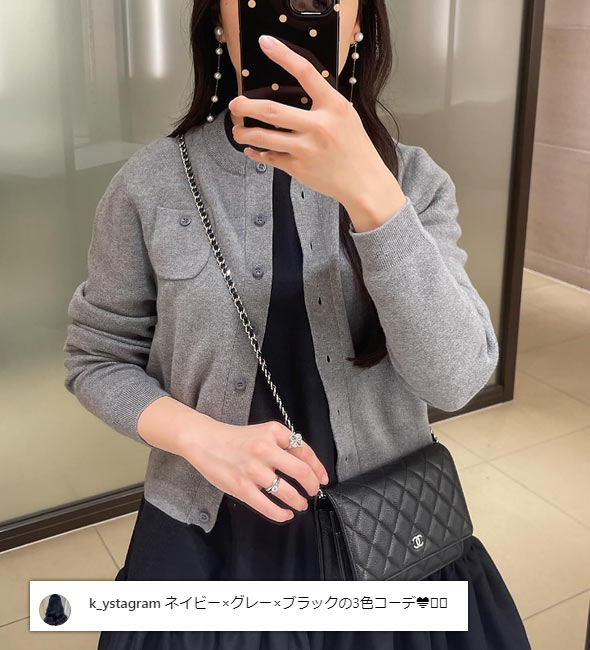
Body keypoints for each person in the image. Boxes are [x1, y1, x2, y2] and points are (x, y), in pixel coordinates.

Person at [63, 1, 533, 648]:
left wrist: (374, 198)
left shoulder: (412, 181)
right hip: (208, 544)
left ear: (359, 24)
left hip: (390, 540)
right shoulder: (149, 186)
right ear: (218, 23)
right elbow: (96, 358)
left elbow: (456, 380)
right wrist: (202, 439)